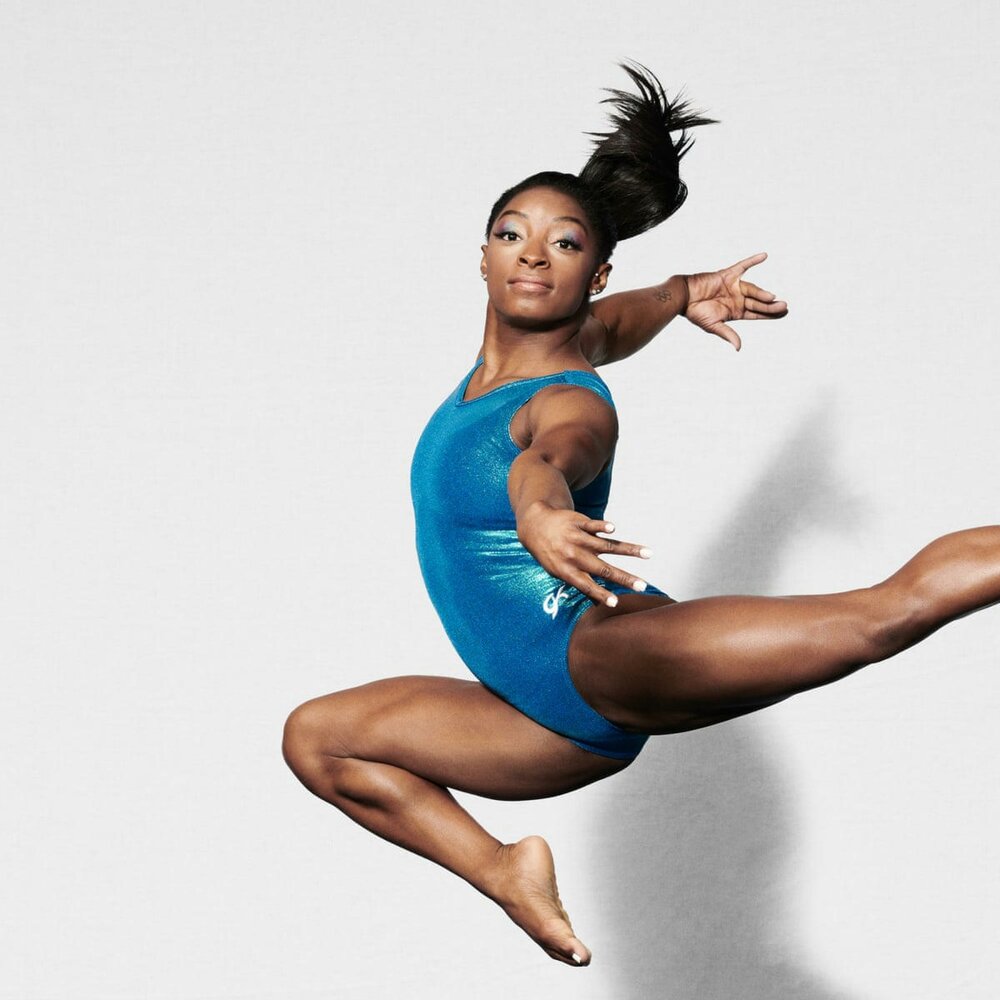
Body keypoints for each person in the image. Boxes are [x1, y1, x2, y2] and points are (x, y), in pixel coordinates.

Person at [282, 64, 1000, 967]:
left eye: (564, 244)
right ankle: (506, 871)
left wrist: (541, 513)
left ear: (594, 271)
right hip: (530, 722)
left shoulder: (568, 398)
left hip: (602, 656)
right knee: (317, 740)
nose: (533, 255)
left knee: (878, 618)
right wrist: (684, 290)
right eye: (512, 234)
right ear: (482, 256)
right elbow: (621, 323)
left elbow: (550, 460)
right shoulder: (560, 343)